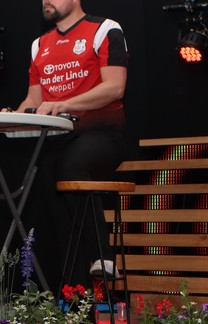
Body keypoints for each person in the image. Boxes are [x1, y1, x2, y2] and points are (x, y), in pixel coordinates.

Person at [12, 0, 129, 292]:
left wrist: (65, 103)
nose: (46, 1)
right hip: (56, 139)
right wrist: (13, 116)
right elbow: (34, 99)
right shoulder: (39, 44)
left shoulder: (105, 29)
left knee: (71, 165)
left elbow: (115, 86)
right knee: (54, 202)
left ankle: (102, 254)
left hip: (102, 133)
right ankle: (76, 300)